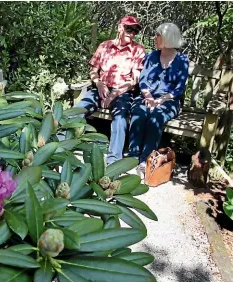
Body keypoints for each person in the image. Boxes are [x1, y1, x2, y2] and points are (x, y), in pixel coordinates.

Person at [77, 16, 145, 165]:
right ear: (120, 27)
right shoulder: (104, 46)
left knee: (120, 119)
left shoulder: (138, 50)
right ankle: (60, 145)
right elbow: (93, 70)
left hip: (122, 92)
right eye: (129, 29)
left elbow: (134, 81)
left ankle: (114, 161)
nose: (132, 33)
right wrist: (99, 83)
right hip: (101, 89)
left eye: (135, 31)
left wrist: (115, 93)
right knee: (76, 111)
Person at [128, 23, 189, 176]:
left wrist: (161, 100)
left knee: (156, 117)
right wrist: (148, 97)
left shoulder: (182, 60)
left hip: (169, 101)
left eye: (157, 35)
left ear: (168, 38)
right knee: (139, 113)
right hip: (147, 97)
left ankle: (145, 160)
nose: (154, 38)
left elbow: (179, 88)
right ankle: (132, 157)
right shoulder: (152, 56)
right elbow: (143, 80)